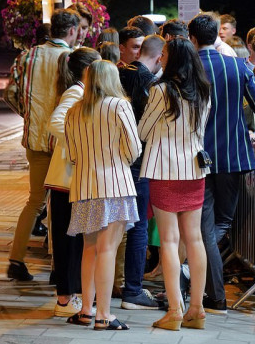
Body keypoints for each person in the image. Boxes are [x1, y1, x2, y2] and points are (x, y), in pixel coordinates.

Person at [189, 14, 255, 314]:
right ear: (217, 36)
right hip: (234, 156)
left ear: (193, 39)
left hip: (196, 157)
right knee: (219, 224)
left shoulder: (188, 67)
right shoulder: (238, 66)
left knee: (206, 228)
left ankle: (212, 293)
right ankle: (212, 293)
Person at [138, 38, 211, 329]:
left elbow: (143, 130)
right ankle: (197, 308)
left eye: (165, 53)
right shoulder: (204, 90)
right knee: (194, 239)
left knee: (169, 241)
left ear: (174, 58)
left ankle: (174, 310)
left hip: (165, 169)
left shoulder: (161, 90)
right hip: (194, 170)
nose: (161, 58)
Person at [64, 60, 141, 331]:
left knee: (90, 249)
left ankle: (86, 310)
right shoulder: (120, 105)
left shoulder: (74, 110)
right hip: (115, 185)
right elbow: (134, 148)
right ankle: (104, 315)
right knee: (108, 248)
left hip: (83, 186)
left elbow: (72, 154)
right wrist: (119, 160)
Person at [5, 8, 81, 281]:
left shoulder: (27, 56)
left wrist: (29, 115)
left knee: (35, 201)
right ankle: (58, 267)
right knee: (63, 204)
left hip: (35, 140)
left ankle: (16, 260)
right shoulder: (73, 58)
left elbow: (10, 93)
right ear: (72, 31)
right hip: (64, 143)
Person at [45, 47, 101, 317]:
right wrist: (80, 146)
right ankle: (64, 299)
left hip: (73, 179)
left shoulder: (82, 92)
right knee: (68, 240)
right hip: (67, 179)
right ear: (88, 70)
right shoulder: (76, 92)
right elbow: (55, 123)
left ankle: (69, 296)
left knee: (74, 240)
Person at [118, 34, 166, 310]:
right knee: (137, 227)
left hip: (116, 158)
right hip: (139, 160)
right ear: (159, 57)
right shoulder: (149, 83)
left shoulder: (119, 74)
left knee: (114, 226)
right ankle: (133, 290)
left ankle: (109, 284)